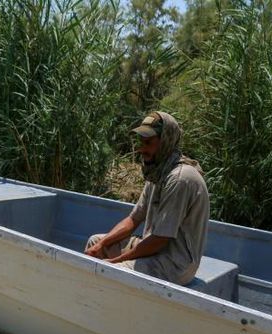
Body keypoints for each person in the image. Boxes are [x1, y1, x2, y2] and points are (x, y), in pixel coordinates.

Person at [84, 111, 209, 285]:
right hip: (155, 250)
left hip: (174, 263)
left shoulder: (180, 179)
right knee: (95, 243)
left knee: (115, 269)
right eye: (141, 142)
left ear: (165, 141)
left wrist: (116, 261)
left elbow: (159, 240)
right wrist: (102, 244)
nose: (142, 149)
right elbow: (133, 219)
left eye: (148, 143)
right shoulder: (158, 172)